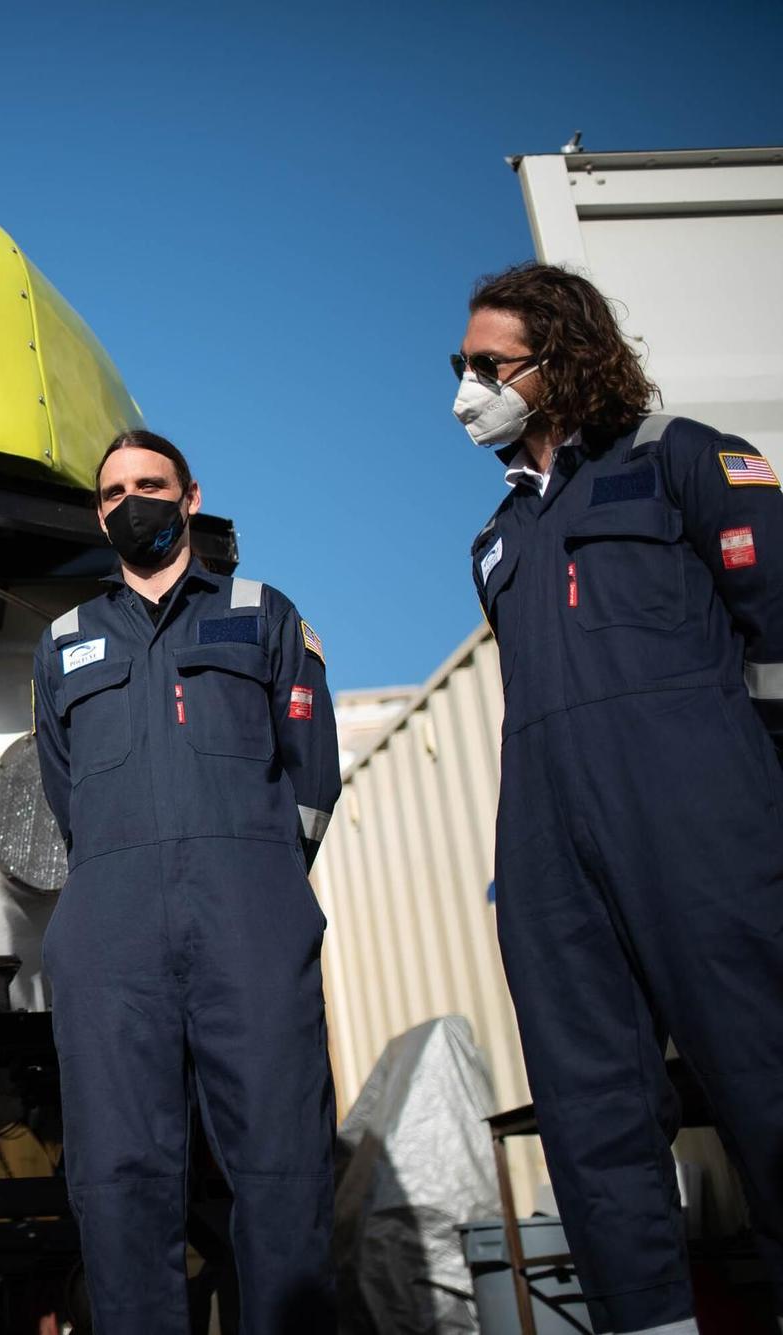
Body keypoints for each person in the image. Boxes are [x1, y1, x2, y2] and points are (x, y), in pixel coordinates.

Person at [457, 262, 783, 1335]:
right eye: (459, 367)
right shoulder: (494, 540)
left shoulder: (678, 460)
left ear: (559, 357)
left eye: (487, 365)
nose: (467, 387)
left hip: (696, 818)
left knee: (760, 1068)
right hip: (551, 841)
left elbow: (775, 634)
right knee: (589, 1107)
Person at [32, 428, 341, 1334]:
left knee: (282, 1164)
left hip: (249, 917)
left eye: (151, 484)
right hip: (113, 931)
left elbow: (310, 774)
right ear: (100, 511)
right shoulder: (64, 641)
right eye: (116, 490)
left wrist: (261, 880)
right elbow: (65, 791)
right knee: (119, 1176)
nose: (134, 501)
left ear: (191, 496)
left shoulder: (262, 613)